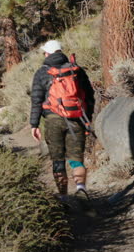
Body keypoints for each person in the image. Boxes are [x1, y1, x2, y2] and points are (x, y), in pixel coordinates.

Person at [30, 40, 95, 197]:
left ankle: (64, 197)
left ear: (47, 53)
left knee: (58, 160)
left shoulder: (42, 72)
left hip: (53, 120)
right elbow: (89, 96)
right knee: (76, 159)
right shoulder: (76, 70)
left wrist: (34, 124)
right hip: (76, 118)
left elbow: (36, 100)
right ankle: (81, 188)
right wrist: (88, 118)